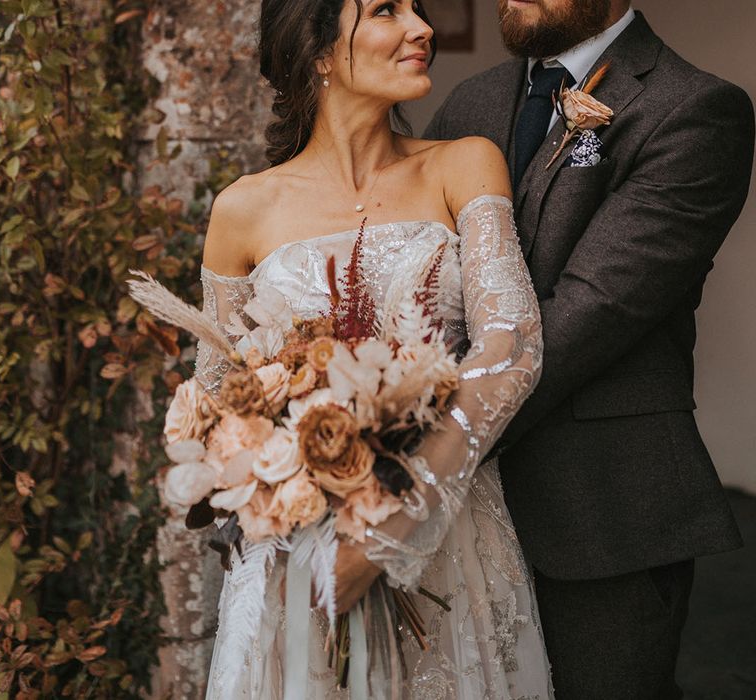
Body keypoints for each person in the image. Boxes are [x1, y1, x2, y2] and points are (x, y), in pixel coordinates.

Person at [196, 0, 553, 697]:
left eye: (417, 9)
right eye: (387, 10)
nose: (422, 28)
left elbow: (512, 347)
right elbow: (217, 401)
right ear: (320, 51)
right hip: (299, 552)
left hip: (448, 534)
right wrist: (299, 486)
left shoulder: (463, 165)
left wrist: (391, 525)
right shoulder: (242, 210)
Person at [424, 1, 755, 698]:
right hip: (457, 521)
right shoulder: (471, 101)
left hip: (603, 513)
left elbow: (592, 310)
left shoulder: (695, 109)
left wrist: (422, 441)